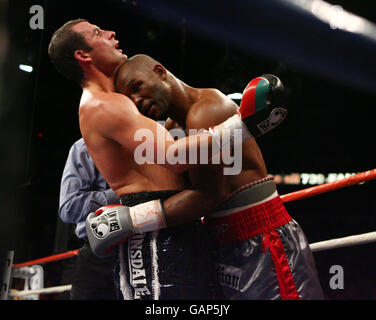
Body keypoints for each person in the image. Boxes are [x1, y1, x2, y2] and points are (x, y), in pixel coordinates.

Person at [48, 19, 273, 300]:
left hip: (174, 222)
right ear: (83, 55)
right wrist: (244, 127)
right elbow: (173, 159)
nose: (110, 32)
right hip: (150, 236)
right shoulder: (101, 104)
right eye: (97, 32)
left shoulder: (120, 101)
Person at [113, 54, 324, 299]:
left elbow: (207, 197)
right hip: (222, 243)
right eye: (130, 100)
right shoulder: (171, 128)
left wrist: (131, 220)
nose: (137, 100)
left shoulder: (207, 109)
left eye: (136, 87)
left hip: (262, 237)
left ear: (159, 72)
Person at [58, 138, 119, 299]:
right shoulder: (84, 148)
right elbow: (68, 207)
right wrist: (121, 195)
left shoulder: (149, 139)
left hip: (144, 246)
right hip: (97, 254)